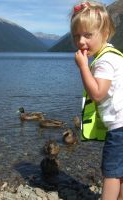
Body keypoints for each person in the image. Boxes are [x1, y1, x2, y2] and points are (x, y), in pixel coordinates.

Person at [70, 1, 123, 199]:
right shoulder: (113, 54)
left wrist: (83, 67)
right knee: (121, 173)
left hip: (119, 127)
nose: (81, 41)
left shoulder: (104, 61)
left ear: (105, 33)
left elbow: (98, 94)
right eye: (77, 36)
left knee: (110, 173)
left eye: (87, 35)